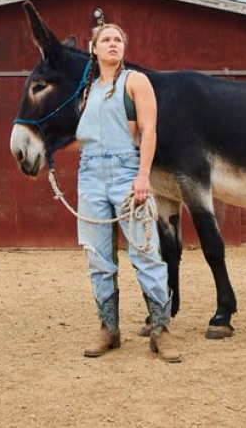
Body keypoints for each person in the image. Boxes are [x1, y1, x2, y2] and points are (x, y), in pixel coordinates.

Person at [70, 21, 181, 363]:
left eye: (118, 39)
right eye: (106, 39)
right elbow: (83, 140)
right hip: (89, 176)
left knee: (146, 252)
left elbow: (149, 131)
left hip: (126, 173)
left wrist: (143, 176)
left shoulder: (135, 82)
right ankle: (109, 329)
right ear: (95, 48)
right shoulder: (86, 91)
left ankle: (161, 331)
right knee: (98, 258)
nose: (113, 43)